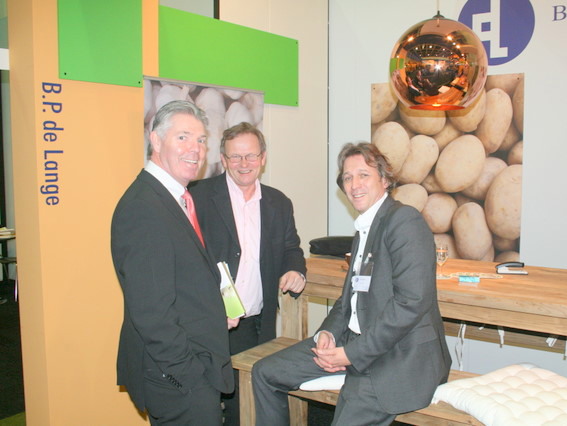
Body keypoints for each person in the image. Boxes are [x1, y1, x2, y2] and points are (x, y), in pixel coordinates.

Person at [251, 142, 451, 426]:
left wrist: (350, 354)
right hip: (353, 342)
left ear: (384, 179)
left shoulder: (404, 221)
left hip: (398, 355)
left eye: (363, 175)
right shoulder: (365, 228)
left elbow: (410, 304)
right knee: (265, 373)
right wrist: (329, 333)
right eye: (347, 177)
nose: (354, 185)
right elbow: (351, 298)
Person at [111, 100, 234, 425]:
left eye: (201, 140)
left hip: (190, 369)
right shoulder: (144, 208)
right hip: (179, 378)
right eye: (183, 137)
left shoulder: (174, 198)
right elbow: (152, 313)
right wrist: (189, 376)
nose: (196, 149)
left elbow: (181, 283)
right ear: (155, 140)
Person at [189, 122, 306, 425]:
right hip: (209, 324)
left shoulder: (278, 202)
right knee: (205, 406)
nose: (244, 164)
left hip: (256, 324)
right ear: (223, 159)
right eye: (236, 157)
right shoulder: (197, 197)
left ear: (263, 158)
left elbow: (291, 247)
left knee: (248, 407)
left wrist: (295, 269)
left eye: (251, 156)